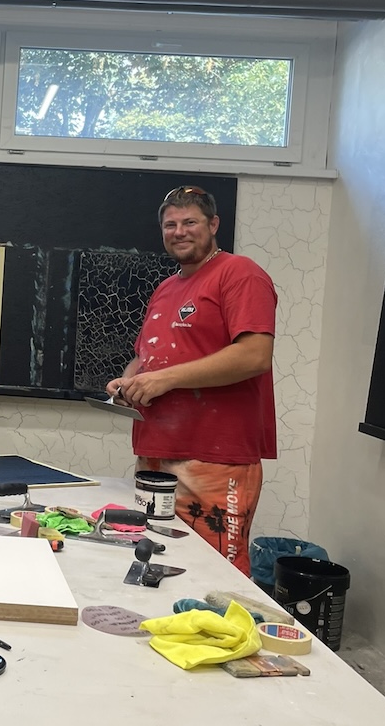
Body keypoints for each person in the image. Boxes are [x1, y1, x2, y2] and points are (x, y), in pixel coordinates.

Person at [106, 185, 276, 576]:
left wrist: (165, 380)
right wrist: (129, 382)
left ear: (213, 224)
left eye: (190, 222)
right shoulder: (167, 288)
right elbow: (146, 357)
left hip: (213, 459)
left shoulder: (240, 274)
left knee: (216, 572)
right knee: (158, 562)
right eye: (171, 225)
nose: (179, 231)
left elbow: (255, 355)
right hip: (155, 455)